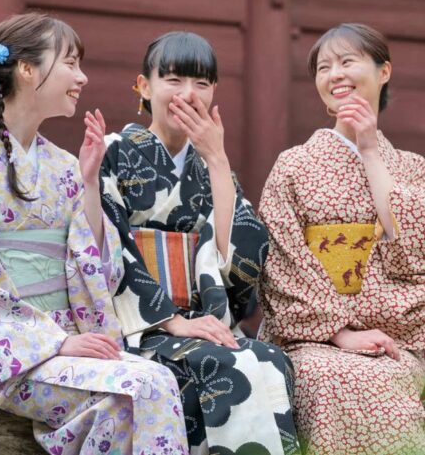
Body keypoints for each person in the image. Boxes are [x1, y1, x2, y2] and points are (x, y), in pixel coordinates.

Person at [0, 13, 187, 455]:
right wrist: (54, 342)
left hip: (61, 343)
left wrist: (89, 182)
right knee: (141, 388)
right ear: (27, 69)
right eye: (70, 63)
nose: (82, 77)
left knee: (152, 384)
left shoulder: (64, 165)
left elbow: (95, 263)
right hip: (6, 352)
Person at [258, 23, 425, 455]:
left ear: (383, 72)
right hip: (310, 339)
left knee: (383, 380)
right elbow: (281, 261)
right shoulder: (294, 165)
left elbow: (419, 249)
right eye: (324, 67)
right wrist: (340, 332)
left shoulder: (412, 167)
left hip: (390, 340)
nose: (335, 74)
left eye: (348, 61)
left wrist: (369, 150)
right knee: (327, 379)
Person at [100, 32, 297, 455]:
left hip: (202, 321)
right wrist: (171, 320)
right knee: (220, 365)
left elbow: (242, 256)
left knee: (271, 360)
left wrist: (218, 160)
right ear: (144, 87)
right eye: (173, 80)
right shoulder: (111, 154)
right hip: (140, 327)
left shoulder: (212, 164)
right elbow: (106, 245)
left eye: (202, 84)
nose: (188, 94)